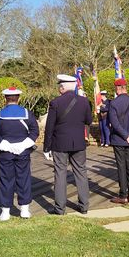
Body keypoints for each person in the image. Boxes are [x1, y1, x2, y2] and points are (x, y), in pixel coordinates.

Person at [43, 74, 93, 215]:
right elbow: (88, 121)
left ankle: (60, 208)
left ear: (62, 87)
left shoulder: (55, 103)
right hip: (78, 142)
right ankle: (84, 206)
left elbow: (49, 127)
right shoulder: (84, 101)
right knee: (81, 173)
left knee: (60, 174)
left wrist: (46, 147)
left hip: (60, 143)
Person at [0, 86, 39, 221]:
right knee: (24, 179)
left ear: (5, 98)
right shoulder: (27, 113)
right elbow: (35, 131)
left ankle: (5, 211)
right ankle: (24, 210)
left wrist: (5, 145)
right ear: (19, 98)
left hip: (5, 153)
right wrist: (23, 145)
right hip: (23, 152)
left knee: (6, 180)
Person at [108, 78, 129, 204]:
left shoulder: (114, 103)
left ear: (118, 88)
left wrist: (125, 135)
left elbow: (114, 123)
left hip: (119, 139)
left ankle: (123, 195)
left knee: (121, 166)